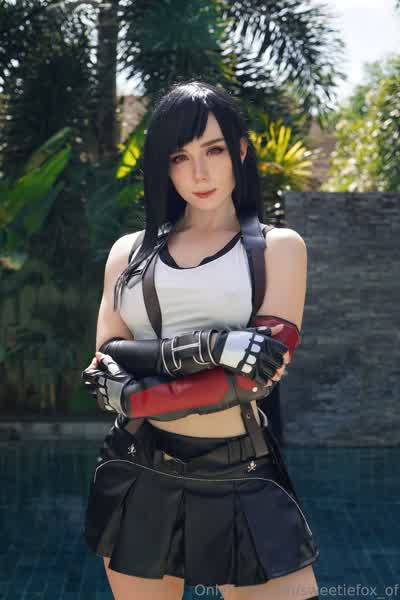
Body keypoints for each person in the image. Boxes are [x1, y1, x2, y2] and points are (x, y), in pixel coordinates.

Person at [81, 80, 320, 600]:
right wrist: (215, 348)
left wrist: (138, 391)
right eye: (180, 157)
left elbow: (253, 379)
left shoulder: (278, 249)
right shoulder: (128, 253)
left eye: (214, 150)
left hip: (242, 471)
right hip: (137, 466)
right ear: (164, 167)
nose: (200, 173)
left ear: (240, 150)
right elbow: (106, 368)